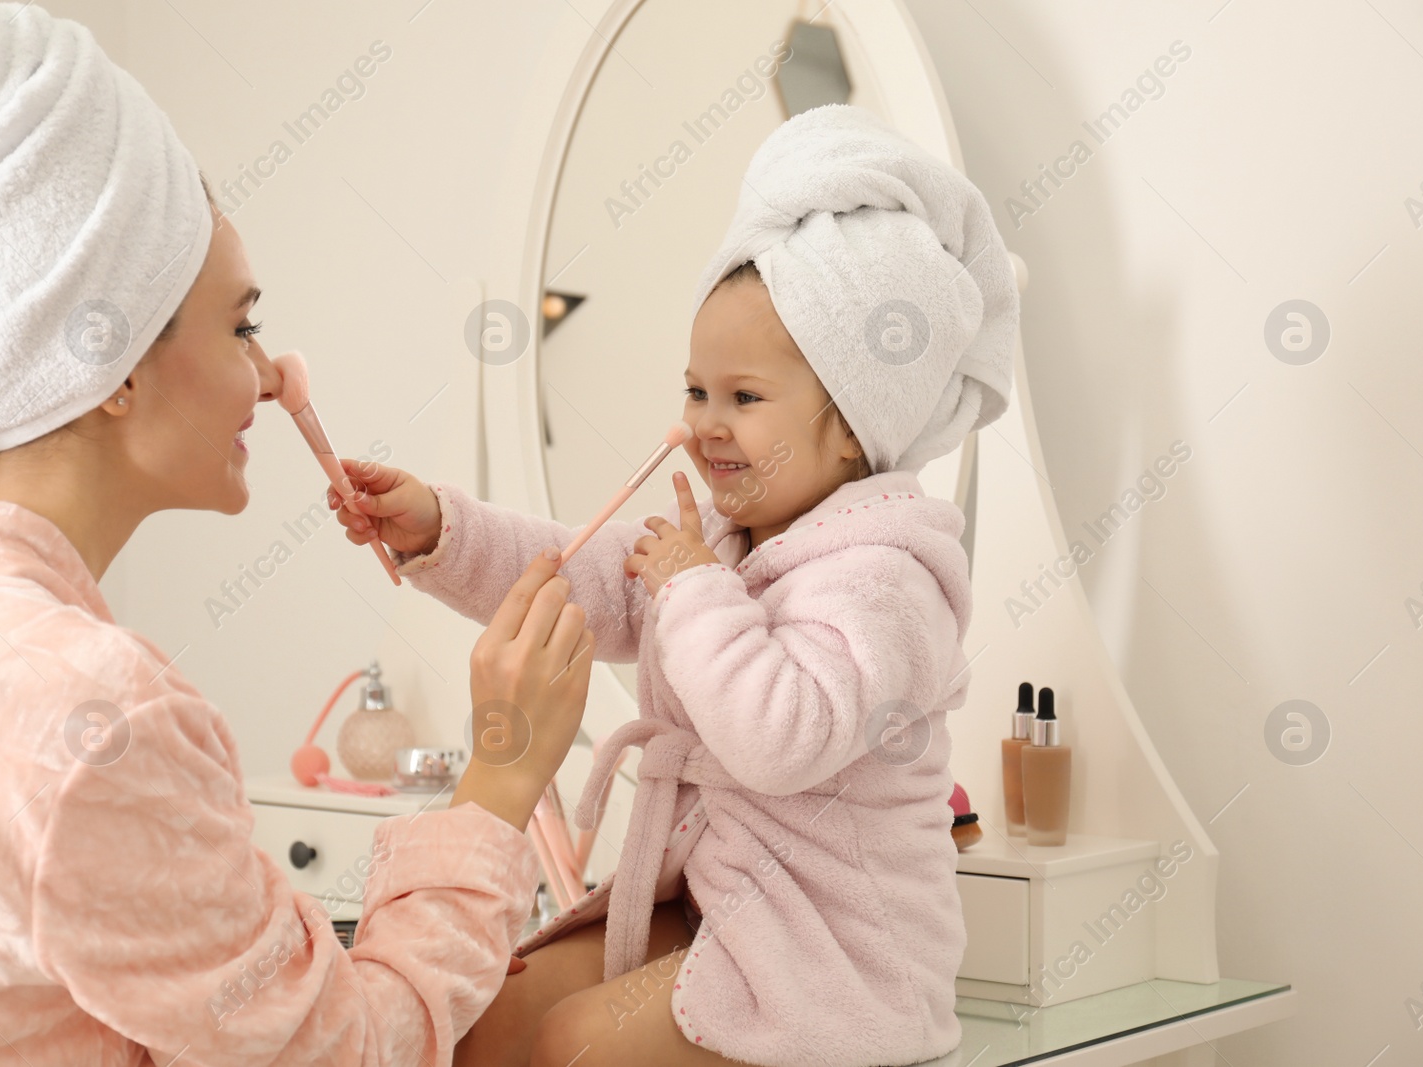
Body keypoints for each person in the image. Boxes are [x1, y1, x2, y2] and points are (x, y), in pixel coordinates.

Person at [0, 2, 588, 1063]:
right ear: (112, 364)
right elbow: (354, 1049)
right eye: (241, 325)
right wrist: (501, 775)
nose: (270, 377)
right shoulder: (91, 711)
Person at [327, 103, 1020, 1066]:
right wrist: (441, 528)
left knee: (576, 1044)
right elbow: (590, 574)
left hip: (833, 950)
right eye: (697, 391)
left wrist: (696, 590)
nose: (704, 425)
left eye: (745, 398)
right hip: (712, 901)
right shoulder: (731, 543)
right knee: (488, 1019)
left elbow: (783, 736)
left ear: (856, 425)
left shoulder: (888, 579)